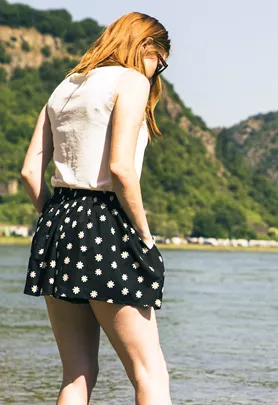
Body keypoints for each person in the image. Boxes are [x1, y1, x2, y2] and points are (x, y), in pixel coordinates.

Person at [19, 12, 172, 405]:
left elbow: (29, 173)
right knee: (149, 372)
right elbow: (120, 168)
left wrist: (57, 218)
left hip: (58, 219)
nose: (157, 73)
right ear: (145, 46)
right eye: (160, 62)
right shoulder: (131, 80)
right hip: (106, 221)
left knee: (77, 374)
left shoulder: (64, 87)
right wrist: (145, 235)